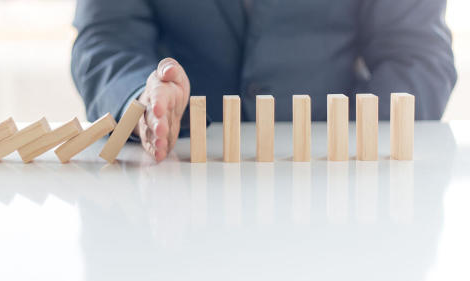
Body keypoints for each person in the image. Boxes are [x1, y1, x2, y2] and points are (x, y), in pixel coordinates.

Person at [71, 0, 457, 162]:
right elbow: (105, 39)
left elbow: (418, 56)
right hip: (174, 182)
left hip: (337, 195)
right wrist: (143, 101)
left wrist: (355, 151)